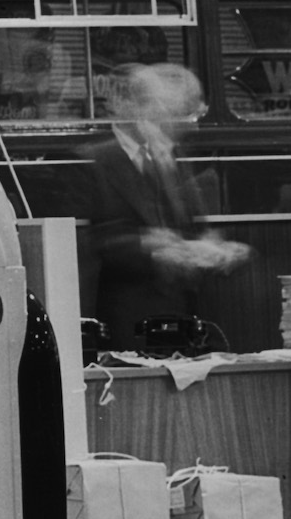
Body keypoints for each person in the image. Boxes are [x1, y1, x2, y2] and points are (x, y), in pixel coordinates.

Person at [83, 63, 248, 347]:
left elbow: (191, 227)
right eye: (179, 113)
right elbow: (89, 245)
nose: (189, 125)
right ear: (143, 107)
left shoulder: (171, 157)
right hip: (127, 323)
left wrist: (216, 248)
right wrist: (150, 246)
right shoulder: (93, 161)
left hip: (181, 318)